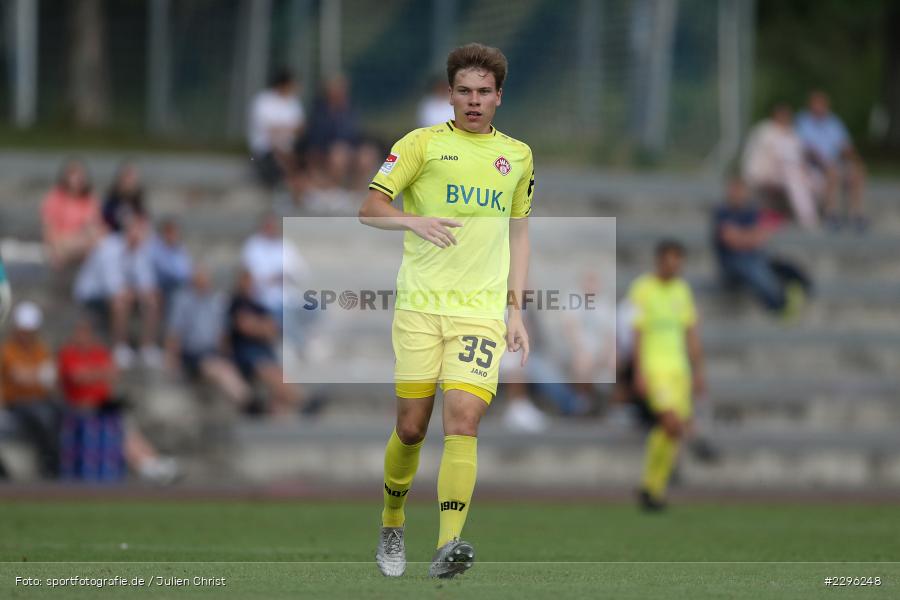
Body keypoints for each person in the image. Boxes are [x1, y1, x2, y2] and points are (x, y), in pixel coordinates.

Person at [359, 43, 534, 579]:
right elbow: (370, 208)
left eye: (484, 92)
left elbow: (520, 232)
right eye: (465, 91)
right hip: (419, 307)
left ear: (499, 97)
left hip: (479, 313)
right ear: (450, 94)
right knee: (411, 429)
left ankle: (448, 545)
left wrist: (516, 310)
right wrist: (413, 221)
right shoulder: (421, 145)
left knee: (463, 420)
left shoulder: (519, 157)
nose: (474, 101)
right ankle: (392, 520)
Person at [628, 240, 705, 511]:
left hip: (679, 371)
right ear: (659, 261)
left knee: (671, 432)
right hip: (654, 369)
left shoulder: (682, 290)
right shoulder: (642, 288)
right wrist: (637, 371)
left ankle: (653, 490)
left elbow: (691, 332)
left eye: (678, 261)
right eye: (670, 260)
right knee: (671, 423)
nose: (675, 266)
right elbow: (636, 332)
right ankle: (650, 484)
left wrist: (698, 372)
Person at [58, 315, 178, 483]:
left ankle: (152, 460)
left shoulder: (98, 352)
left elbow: (113, 373)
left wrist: (91, 373)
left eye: (86, 332)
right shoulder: (68, 353)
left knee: (127, 427)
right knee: (120, 431)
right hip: (81, 408)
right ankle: (147, 466)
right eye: (80, 332)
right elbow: (77, 376)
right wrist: (98, 373)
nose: (83, 336)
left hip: (103, 406)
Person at [73, 215, 162, 369]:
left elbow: (148, 285)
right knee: (120, 302)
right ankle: (119, 346)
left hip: (122, 294)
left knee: (152, 301)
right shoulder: (109, 248)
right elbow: (113, 288)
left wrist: (144, 294)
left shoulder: (141, 252)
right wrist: (138, 293)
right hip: (92, 294)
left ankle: (147, 346)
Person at [713, 178, 810, 317]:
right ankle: (779, 304)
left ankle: (802, 286)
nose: (737, 194)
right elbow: (731, 239)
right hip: (732, 265)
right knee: (752, 268)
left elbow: (759, 237)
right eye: (734, 190)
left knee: (775, 263)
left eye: (740, 190)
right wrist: (749, 237)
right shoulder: (722, 212)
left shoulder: (751, 211)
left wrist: (742, 236)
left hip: (752, 257)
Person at [166, 265, 250, 406]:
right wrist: (171, 361)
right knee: (219, 371)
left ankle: (246, 398)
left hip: (211, 353)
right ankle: (246, 401)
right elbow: (175, 333)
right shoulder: (183, 301)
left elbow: (222, 334)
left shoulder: (216, 302)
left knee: (226, 367)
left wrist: (227, 354)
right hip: (192, 354)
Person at [227, 269, 302, 417]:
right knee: (270, 372)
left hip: (262, 350)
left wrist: (258, 326)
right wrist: (261, 327)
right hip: (246, 353)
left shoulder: (258, 305)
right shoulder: (236, 303)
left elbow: (273, 329)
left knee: (277, 372)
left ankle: (290, 405)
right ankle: (301, 402)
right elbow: (245, 327)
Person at [0, 302, 61, 477]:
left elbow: (50, 377)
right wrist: (37, 376)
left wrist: (36, 376)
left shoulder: (40, 349)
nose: (27, 335)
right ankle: (50, 460)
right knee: (42, 415)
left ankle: (59, 458)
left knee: (60, 409)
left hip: (39, 399)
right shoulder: (8, 350)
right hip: (16, 402)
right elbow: (20, 376)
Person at [795, 90, 867, 230]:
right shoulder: (803, 121)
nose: (820, 107)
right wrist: (823, 161)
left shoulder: (834, 122)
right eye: (816, 104)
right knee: (832, 171)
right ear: (810, 105)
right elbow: (804, 148)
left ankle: (856, 214)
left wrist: (854, 159)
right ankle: (831, 213)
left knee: (857, 171)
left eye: (822, 104)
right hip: (814, 163)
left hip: (835, 161)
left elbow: (845, 145)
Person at [742, 105, 819, 229]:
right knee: (794, 179)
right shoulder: (765, 130)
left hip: (786, 172)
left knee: (815, 180)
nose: (785, 119)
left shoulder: (792, 133)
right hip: (763, 172)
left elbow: (798, 157)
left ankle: (813, 213)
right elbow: (771, 158)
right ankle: (808, 220)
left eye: (787, 116)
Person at [303, 75, 379, 189]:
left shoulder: (350, 109)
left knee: (367, 154)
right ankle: (335, 188)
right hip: (326, 148)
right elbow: (316, 135)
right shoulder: (320, 111)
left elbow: (356, 132)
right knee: (339, 154)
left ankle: (356, 189)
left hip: (350, 146)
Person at [247, 68, 306, 191]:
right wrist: (288, 129)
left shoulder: (293, 102)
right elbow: (269, 132)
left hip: (289, 148)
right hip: (265, 150)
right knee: (281, 158)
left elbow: (300, 128)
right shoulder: (263, 100)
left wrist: (282, 129)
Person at [41, 159, 103, 270]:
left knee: (98, 241)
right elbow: (49, 230)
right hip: (61, 243)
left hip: (80, 243)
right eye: (73, 174)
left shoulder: (89, 199)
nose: (77, 178)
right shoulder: (54, 198)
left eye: (80, 174)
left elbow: (92, 227)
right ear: (65, 176)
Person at [150, 217, 193, 315]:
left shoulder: (180, 249)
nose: (173, 236)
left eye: (175, 233)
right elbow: (165, 270)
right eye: (170, 232)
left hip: (177, 286)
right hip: (161, 287)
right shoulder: (156, 248)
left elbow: (186, 272)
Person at [102, 162, 146, 233]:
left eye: (132, 177)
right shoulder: (111, 200)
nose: (129, 181)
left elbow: (144, 222)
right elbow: (106, 221)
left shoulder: (139, 200)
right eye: (127, 176)